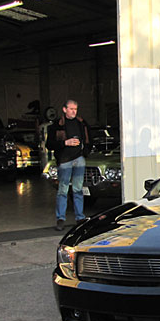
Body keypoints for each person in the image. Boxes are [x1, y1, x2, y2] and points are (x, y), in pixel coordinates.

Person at [46, 99, 91, 231]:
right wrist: (65, 143)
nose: (74, 112)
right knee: (63, 190)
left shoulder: (81, 123)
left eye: (75, 109)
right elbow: (49, 144)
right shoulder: (57, 125)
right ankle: (60, 218)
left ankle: (80, 217)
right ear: (64, 109)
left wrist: (84, 152)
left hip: (79, 159)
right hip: (65, 160)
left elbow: (88, 138)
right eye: (71, 109)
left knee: (78, 189)